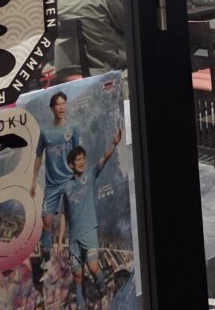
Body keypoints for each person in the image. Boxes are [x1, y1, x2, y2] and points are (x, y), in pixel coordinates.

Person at [63, 129, 123, 308]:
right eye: (78, 160)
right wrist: (59, 240)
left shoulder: (89, 175)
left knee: (94, 267)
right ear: (71, 164)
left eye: (83, 158)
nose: (82, 162)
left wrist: (114, 144)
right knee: (78, 277)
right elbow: (64, 214)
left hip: (89, 231)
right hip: (73, 238)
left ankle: (105, 293)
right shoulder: (66, 188)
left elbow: (104, 159)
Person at [30, 91, 80, 281]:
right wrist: (33, 181)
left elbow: (78, 154)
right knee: (47, 221)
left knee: (71, 220)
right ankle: (46, 262)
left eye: (63, 103)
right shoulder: (45, 132)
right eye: (58, 104)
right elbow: (38, 156)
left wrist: (78, 178)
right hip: (51, 184)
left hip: (69, 181)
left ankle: (77, 262)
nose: (61, 107)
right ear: (52, 108)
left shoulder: (73, 128)